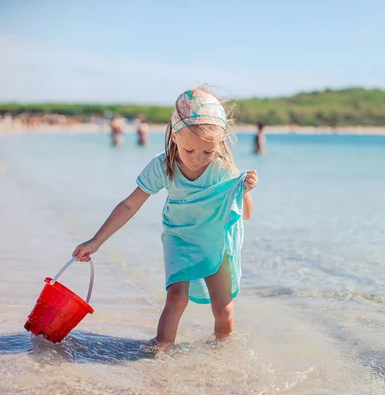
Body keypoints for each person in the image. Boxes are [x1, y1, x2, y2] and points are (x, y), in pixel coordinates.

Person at [72, 87, 258, 345]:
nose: (197, 159)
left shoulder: (221, 169)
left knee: (223, 308)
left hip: (214, 239)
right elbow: (129, 205)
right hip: (179, 238)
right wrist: (96, 241)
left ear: (220, 143)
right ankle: (161, 352)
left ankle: (223, 359)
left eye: (207, 152)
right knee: (176, 298)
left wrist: (245, 191)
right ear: (175, 136)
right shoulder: (164, 166)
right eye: (189, 150)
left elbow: (245, 215)